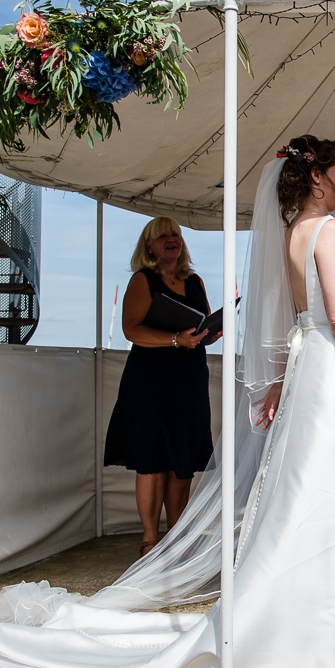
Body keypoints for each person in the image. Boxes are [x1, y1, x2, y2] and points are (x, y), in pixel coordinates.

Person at [0, 135, 335, 668]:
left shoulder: (290, 235)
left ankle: (310, 609)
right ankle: (334, 619)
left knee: (304, 485)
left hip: (307, 366)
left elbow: (294, 321)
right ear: (316, 178)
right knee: (332, 485)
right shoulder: (327, 231)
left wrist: (278, 384)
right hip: (328, 368)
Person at [103, 218, 216, 557]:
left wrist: (211, 331)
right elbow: (131, 330)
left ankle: (177, 537)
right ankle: (150, 541)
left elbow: (202, 328)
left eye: (176, 234)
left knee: (182, 461)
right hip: (150, 382)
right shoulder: (143, 280)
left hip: (189, 382)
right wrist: (175, 339)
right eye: (163, 236)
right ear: (149, 246)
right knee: (152, 461)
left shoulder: (195, 281)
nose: (171, 239)